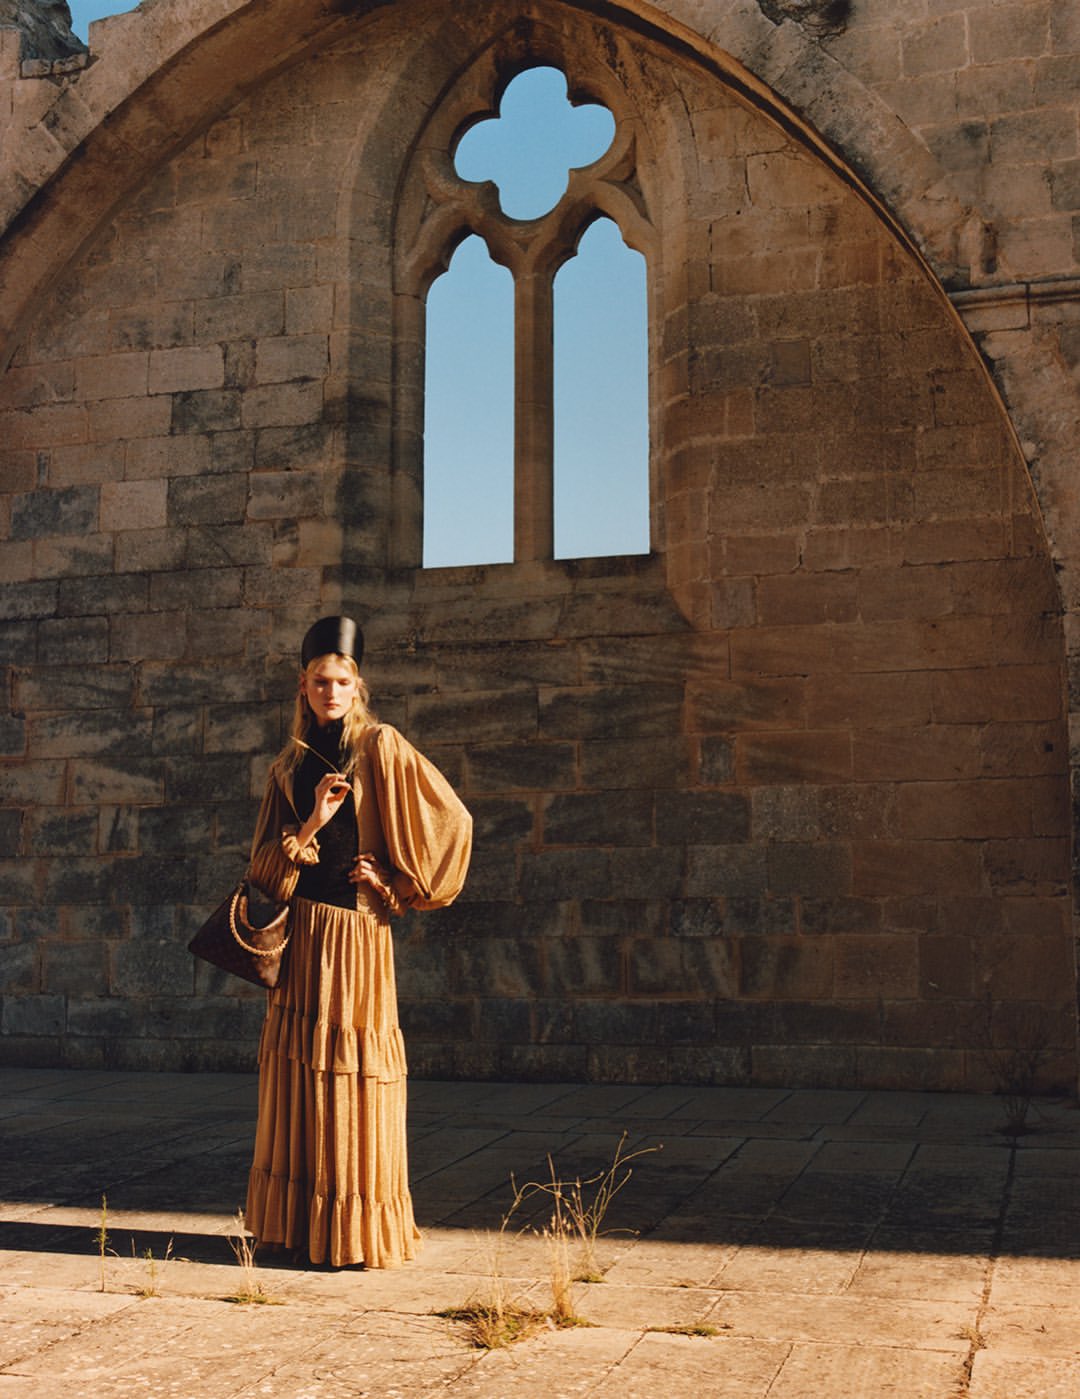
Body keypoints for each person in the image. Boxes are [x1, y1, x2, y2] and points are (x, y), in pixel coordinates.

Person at [243, 615, 472, 1268]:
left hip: (358, 939)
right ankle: (300, 1230)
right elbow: (263, 870)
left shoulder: (381, 747)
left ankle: (354, 1234)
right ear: (304, 685)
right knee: (301, 1075)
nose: (332, 692)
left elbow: (452, 820)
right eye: (321, 681)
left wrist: (396, 881)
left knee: (355, 1073)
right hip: (304, 938)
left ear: (357, 685)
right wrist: (312, 821)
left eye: (342, 682)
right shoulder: (288, 766)